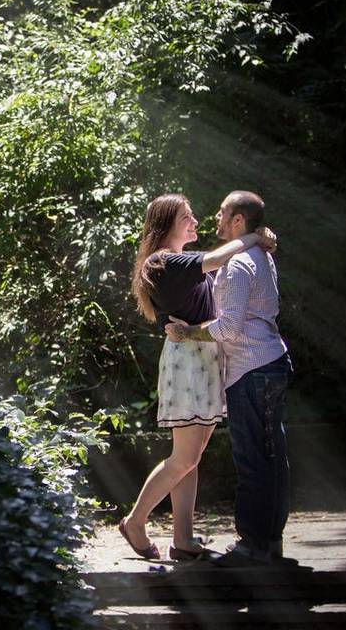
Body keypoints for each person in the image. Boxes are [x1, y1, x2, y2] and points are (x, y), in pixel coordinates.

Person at [120, 193, 276, 561]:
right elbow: (219, 257)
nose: (195, 222)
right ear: (167, 223)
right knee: (184, 458)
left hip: (202, 358)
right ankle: (135, 521)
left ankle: (183, 540)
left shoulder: (182, 262)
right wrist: (256, 235)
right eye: (187, 217)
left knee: (190, 456)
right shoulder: (163, 261)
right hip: (187, 362)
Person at [166, 190, 292, 567]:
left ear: (238, 221)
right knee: (271, 457)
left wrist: (189, 333)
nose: (215, 219)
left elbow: (231, 328)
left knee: (254, 458)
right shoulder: (261, 256)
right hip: (269, 364)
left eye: (222, 213)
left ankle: (253, 545)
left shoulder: (239, 264)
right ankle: (269, 541)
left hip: (252, 370)